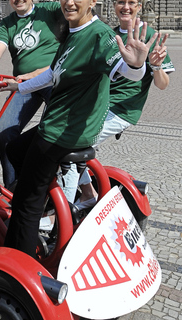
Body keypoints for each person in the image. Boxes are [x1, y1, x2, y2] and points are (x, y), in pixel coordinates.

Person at [0, 0, 156, 258]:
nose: (70, 2)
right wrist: (17, 87)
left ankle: (18, 259)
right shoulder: (72, 32)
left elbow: (126, 70)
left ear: (93, 1)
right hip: (57, 128)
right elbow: (52, 73)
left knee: (25, 204)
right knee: (14, 148)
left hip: (61, 133)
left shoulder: (99, 35)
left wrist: (137, 65)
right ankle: (48, 196)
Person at [73, 0, 174, 210]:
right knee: (65, 143)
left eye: (132, 2)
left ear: (140, 6)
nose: (126, 7)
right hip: (96, 106)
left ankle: (83, 197)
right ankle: (85, 190)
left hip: (121, 110)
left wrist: (155, 66)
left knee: (69, 146)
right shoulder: (107, 33)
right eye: (121, 2)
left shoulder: (148, 34)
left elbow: (163, 85)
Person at [0, 0, 66, 189]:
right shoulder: (7, 23)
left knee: (55, 128)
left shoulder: (50, 9)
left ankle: (55, 185)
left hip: (51, 79)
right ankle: (14, 188)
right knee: (2, 131)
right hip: (23, 83)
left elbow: (74, 12)